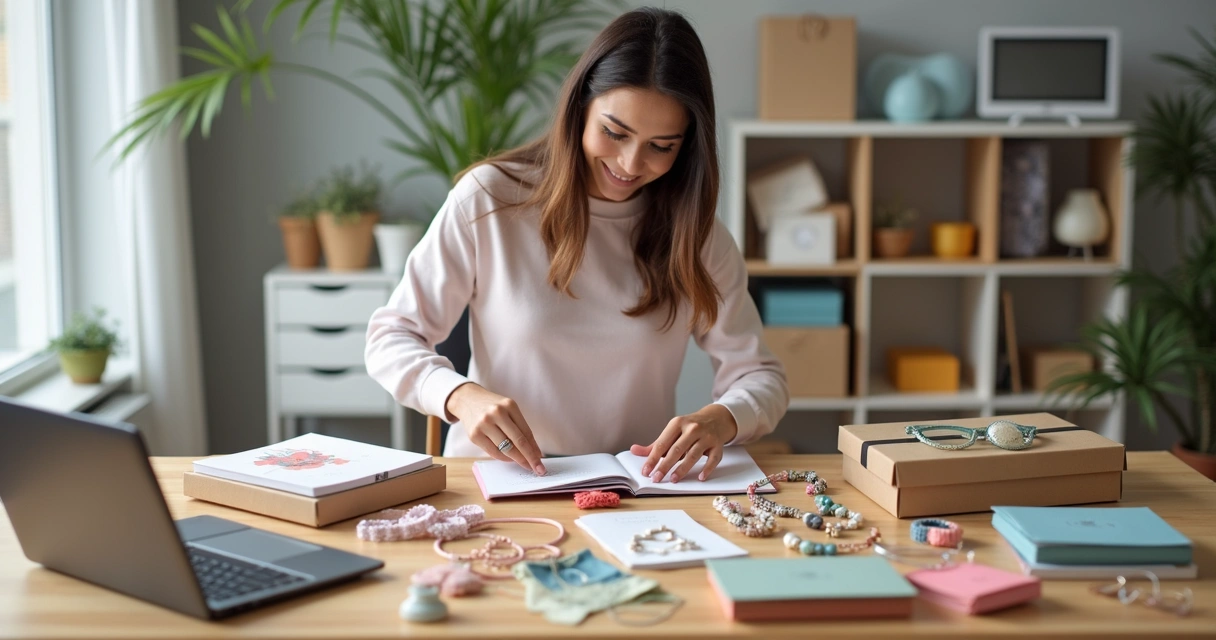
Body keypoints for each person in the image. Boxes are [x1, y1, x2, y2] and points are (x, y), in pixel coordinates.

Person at [365, 7, 787, 484]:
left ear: (686, 145)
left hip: (632, 488)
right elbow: (390, 337)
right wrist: (459, 395)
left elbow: (762, 377)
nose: (630, 164)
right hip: (496, 480)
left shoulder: (695, 233)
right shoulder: (489, 200)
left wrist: (721, 418)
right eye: (615, 132)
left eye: (661, 146)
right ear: (579, 108)